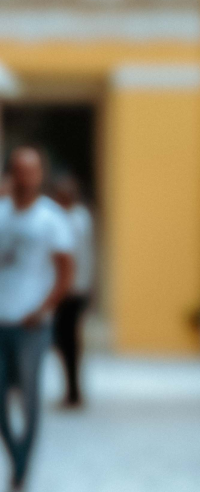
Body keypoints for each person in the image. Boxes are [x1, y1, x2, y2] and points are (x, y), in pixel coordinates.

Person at [0, 147, 75, 492]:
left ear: (39, 174)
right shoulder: (1, 214)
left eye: (31, 170)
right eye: (19, 170)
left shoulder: (51, 218)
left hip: (32, 327)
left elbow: (66, 271)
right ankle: (15, 458)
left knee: (29, 401)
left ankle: (21, 472)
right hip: (2, 322)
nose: (25, 177)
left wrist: (43, 309)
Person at [51, 173, 94, 407]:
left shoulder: (77, 219)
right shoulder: (65, 217)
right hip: (66, 287)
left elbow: (79, 256)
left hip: (73, 289)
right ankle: (72, 389)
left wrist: (81, 285)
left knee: (69, 341)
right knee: (64, 340)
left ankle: (74, 391)